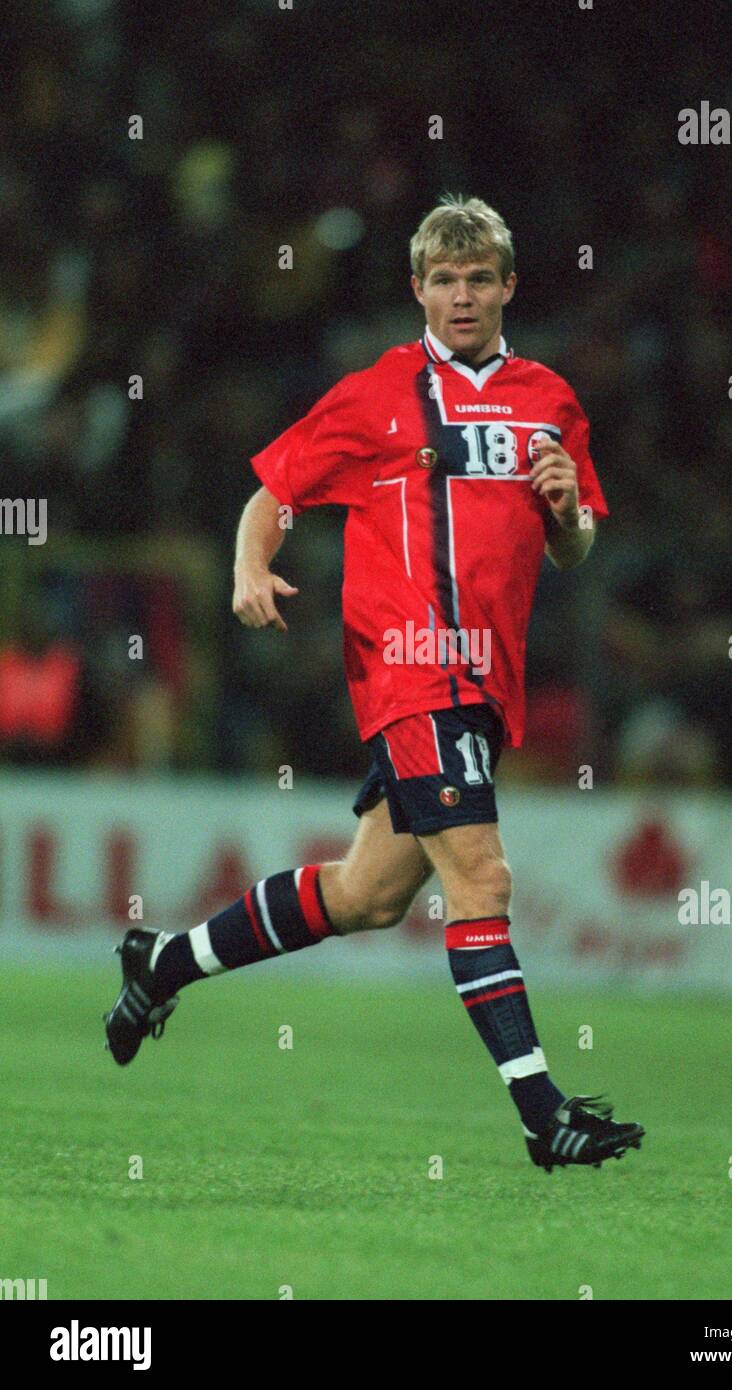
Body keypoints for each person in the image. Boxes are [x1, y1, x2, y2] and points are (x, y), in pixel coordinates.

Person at [105, 195, 644, 1173]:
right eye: (443, 280)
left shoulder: (549, 400)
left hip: (482, 680)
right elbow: (274, 492)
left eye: (479, 278)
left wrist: (566, 512)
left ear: (507, 284)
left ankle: (162, 963)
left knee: (363, 896)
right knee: (481, 877)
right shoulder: (379, 393)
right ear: (417, 290)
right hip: (409, 667)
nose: (462, 296)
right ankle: (541, 1112)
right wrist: (247, 566)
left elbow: (574, 544)